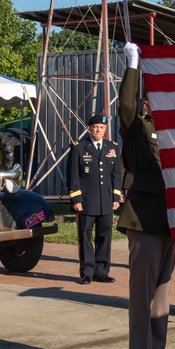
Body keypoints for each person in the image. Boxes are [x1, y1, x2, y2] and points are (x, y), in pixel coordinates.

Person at [117, 43, 175, 349]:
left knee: (162, 292)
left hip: (170, 220)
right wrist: (133, 67)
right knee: (142, 292)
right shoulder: (140, 129)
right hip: (144, 217)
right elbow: (124, 110)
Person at [67, 114, 122, 284]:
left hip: (106, 200)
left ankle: (102, 271)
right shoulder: (79, 147)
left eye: (101, 127)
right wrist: (76, 199)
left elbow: (116, 174)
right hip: (86, 201)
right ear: (90, 128)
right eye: (95, 127)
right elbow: (73, 176)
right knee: (85, 236)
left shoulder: (112, 147)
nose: (98, 130)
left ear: (105, 130)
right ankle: (87, 272)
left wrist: (115, 197)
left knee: (104, 236)